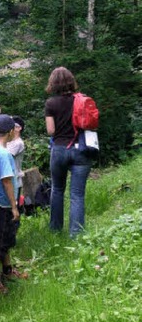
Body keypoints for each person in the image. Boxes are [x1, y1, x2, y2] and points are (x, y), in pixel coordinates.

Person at [45, 67, 92, 237]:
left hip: (59, 149)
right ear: (71, 81)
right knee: (77, 194)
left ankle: (55, 229)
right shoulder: (82, 100)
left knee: (57, 189)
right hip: (81, 149)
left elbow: (51, 130)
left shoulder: (51, 103)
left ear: (53, 83)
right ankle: (76, 234)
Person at [0, 115, 20, 291]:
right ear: (9, 132)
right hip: (3, 204)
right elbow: (7, 181)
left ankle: (8, 270)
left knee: (5, 239)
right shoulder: (5, 154)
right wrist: (14, 206)